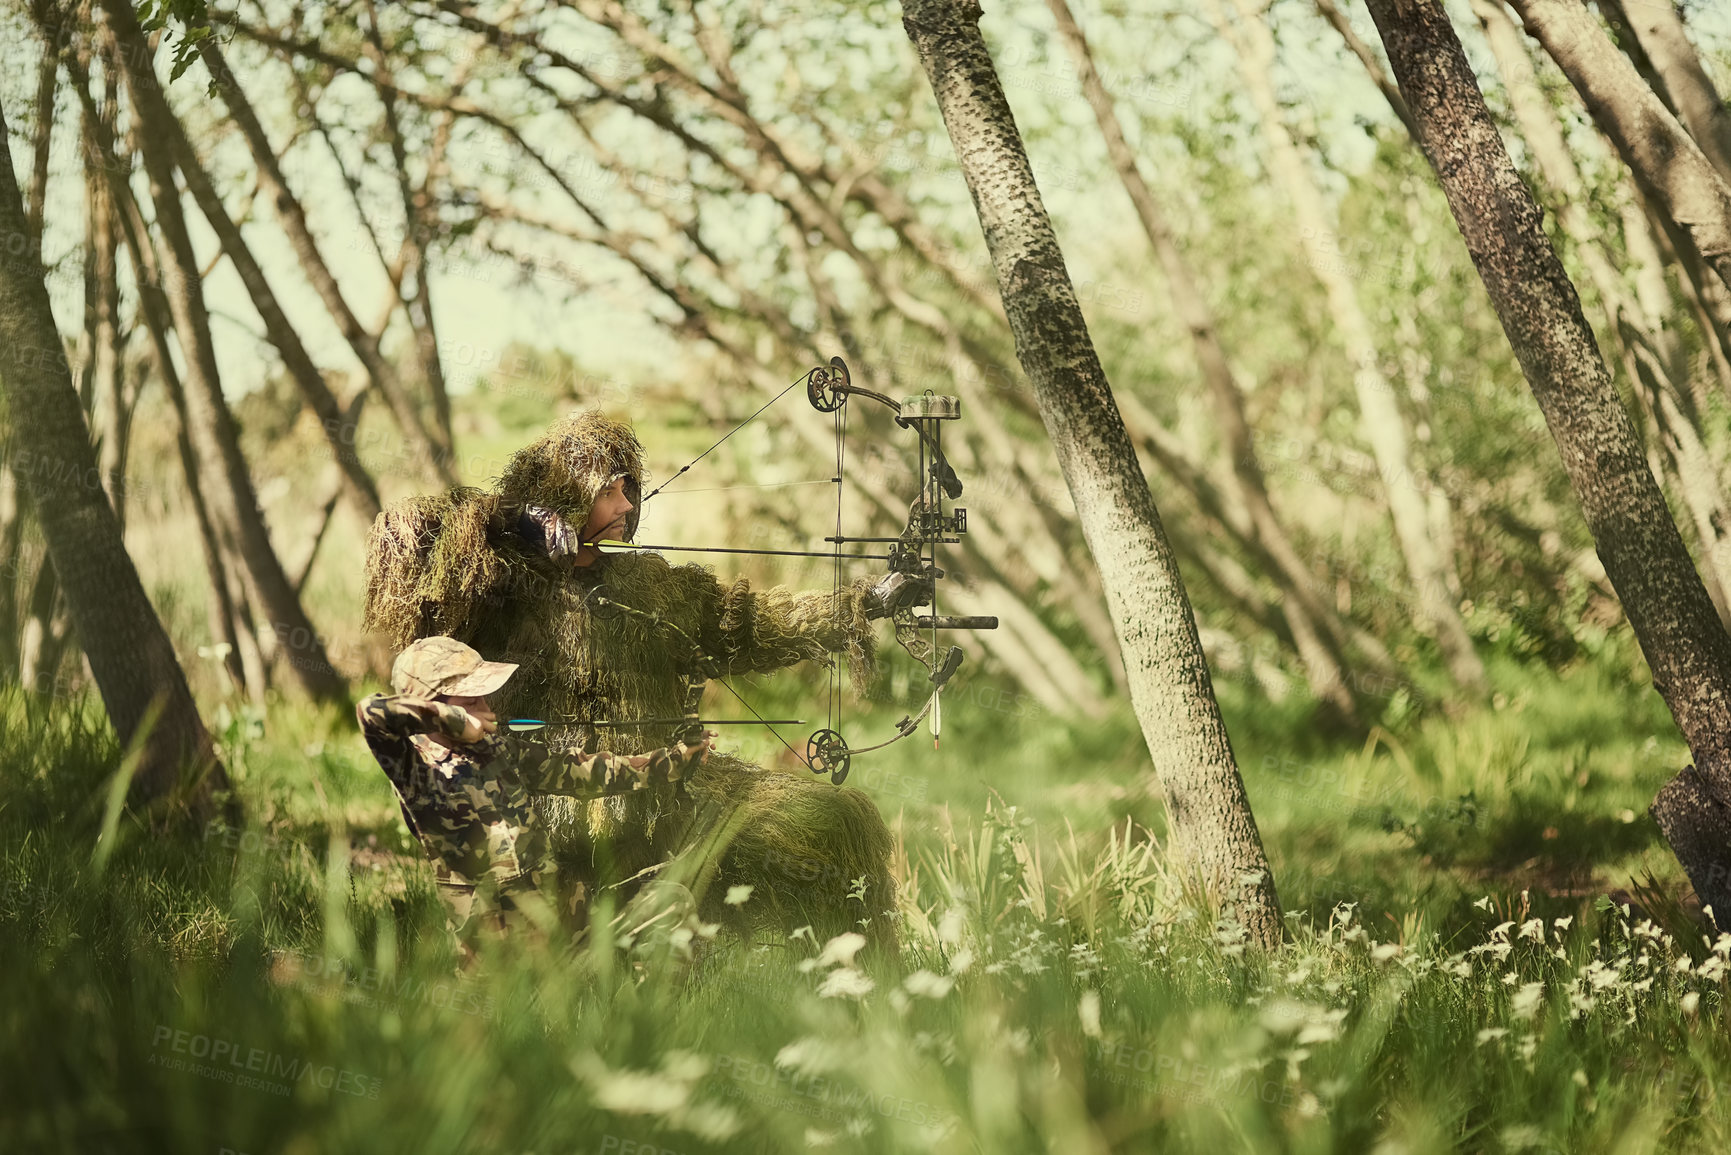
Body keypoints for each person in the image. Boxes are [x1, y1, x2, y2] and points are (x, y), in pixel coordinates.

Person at [363, 411, 901, 954]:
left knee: (833, 823)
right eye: (607, 491)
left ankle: (846, 986)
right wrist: (511, 521)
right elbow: (405, 540)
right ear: (564, 497)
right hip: (539, 817)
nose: (625, 505)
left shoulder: (652, 585)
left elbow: (747, 624)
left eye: (629, 490)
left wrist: (867, 602)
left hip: (655, 798)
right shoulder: (496, 581)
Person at [356, 634, 712, 952]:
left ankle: (642, 1022)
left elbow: (583, 771)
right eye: (471, 702)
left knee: (669, 902)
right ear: (436, 708)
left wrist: (674, 760)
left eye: (484, 699)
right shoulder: (415, 770)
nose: (487, 711)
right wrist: (455, 721)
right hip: (497, 953)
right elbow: (371, 713)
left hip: (565, 926)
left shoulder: (497, 750)